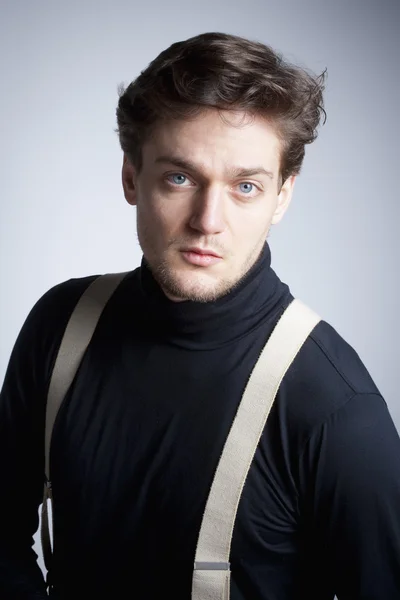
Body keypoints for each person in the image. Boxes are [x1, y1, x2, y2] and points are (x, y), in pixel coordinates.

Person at [0, 31, 399, 600]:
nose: (208, 221)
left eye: (245, 186)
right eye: (180, 177)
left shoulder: (334, 408)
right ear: (131, 177)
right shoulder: (59, 326)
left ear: (282, 196)